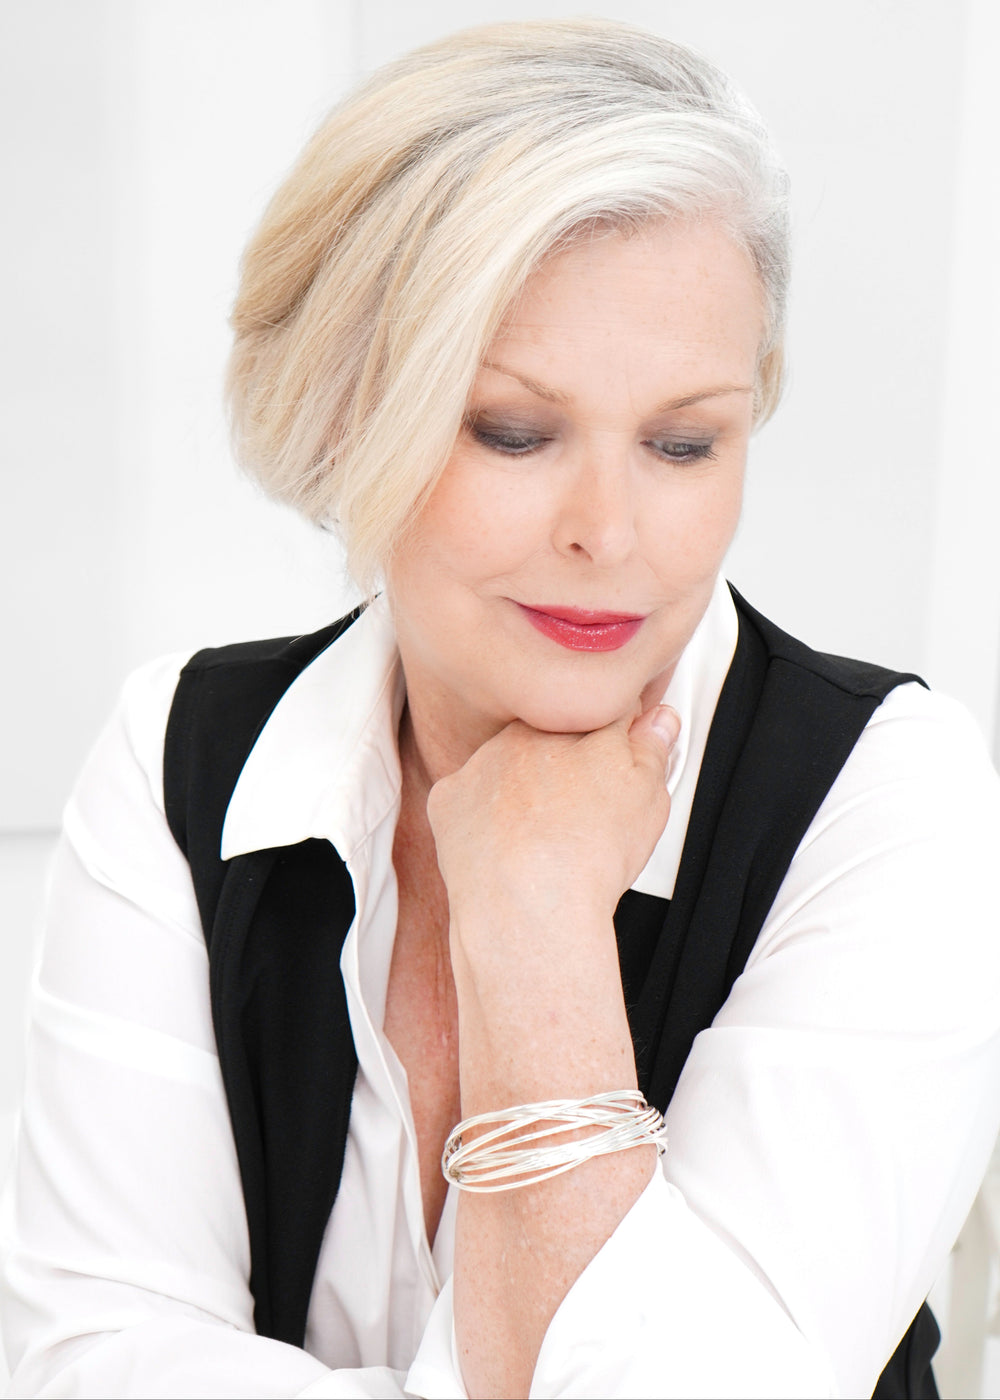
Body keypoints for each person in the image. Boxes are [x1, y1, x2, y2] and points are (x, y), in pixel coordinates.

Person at [3, 17, 1000, 1399]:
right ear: (347, 412)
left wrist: (534, 926)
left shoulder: (890, 797)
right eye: (514, 432)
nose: (608, 531)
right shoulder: (181, 758)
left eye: (683, 443)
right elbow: (88, 1360)